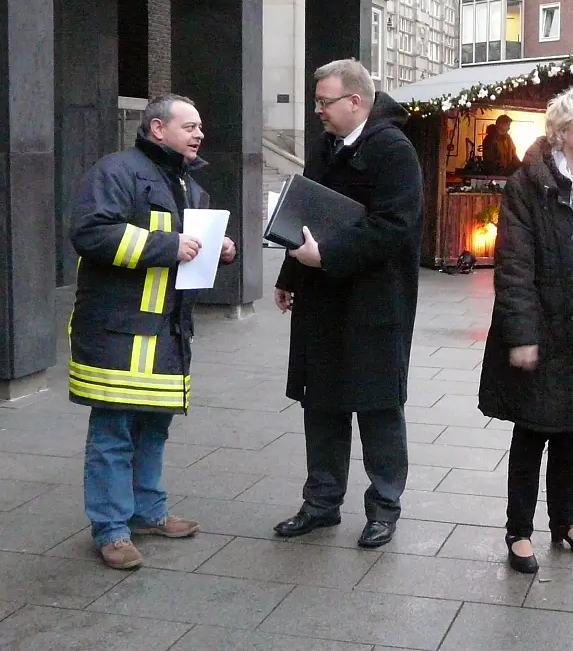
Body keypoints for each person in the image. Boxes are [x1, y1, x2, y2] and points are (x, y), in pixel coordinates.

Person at [69, 94, 237, 569]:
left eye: (201, 126)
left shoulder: (186, 183)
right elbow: (91, 232)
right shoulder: (117, 171)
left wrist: (220, 250)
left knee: (153, 428)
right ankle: (112, 530)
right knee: (114, 432)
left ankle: (148, 512)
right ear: (158, 129)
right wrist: (168, 245)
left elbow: (186, 252)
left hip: (164, 332)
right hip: (119, 331)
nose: (199, 134)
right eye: (190, 126)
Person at [272, 59, 423, 549]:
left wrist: (327, 256)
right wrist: (291, 272)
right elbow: (305, 211)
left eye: (325, 102)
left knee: (378, 407)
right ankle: (321, 502)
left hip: (374, 303)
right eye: (317, 101)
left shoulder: (394, 150)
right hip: (321, 296)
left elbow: (393, 227)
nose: (318, 111)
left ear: (356, 102)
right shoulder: (325, 146)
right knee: (321, 404)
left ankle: (383, 507)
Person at [478, 88, 573, 574]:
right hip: (543, 323)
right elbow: (514, 265)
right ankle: (519, 531)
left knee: (569, 430)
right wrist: (522, 337)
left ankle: (565, 521)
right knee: (533, 429)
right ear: (562, 132)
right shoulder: (529, 184)